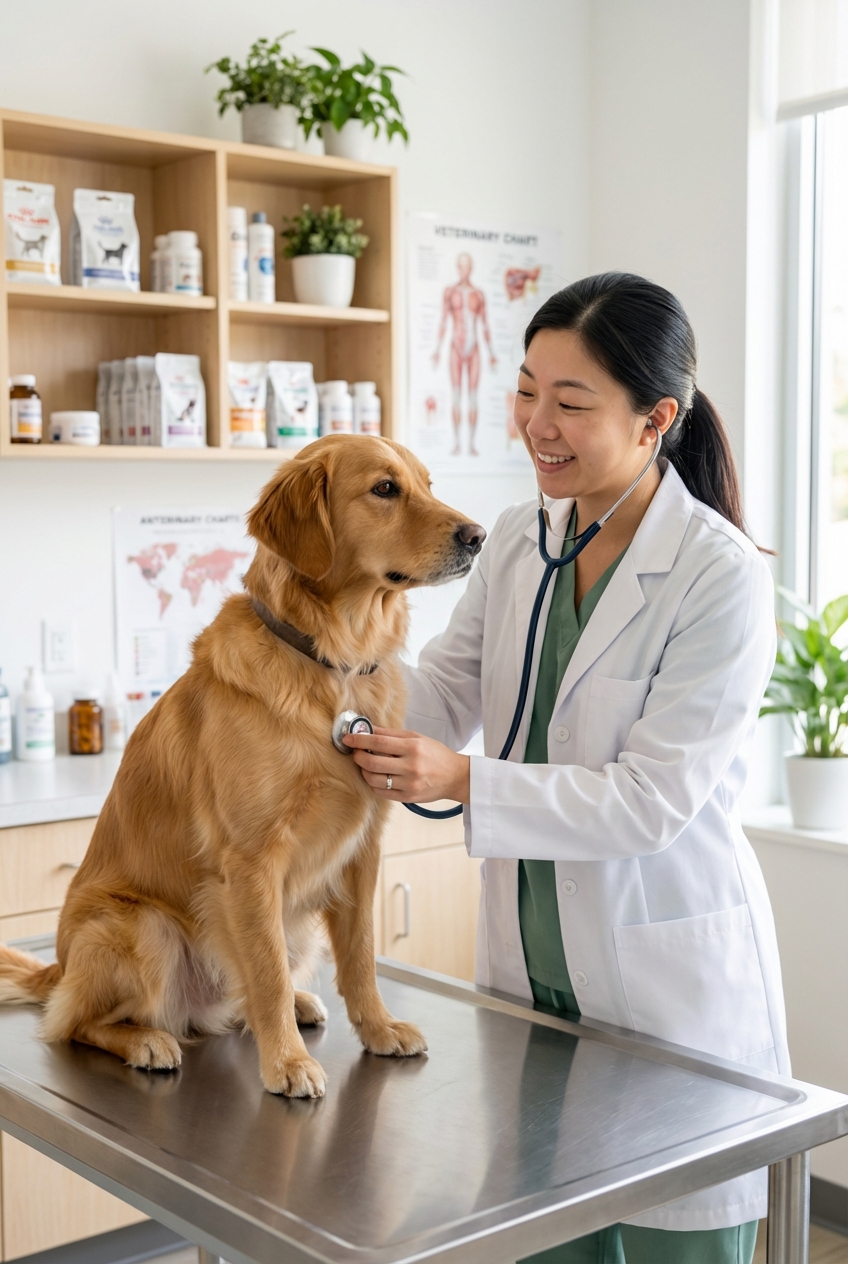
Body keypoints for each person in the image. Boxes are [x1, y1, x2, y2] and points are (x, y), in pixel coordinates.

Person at [345, 272, 788, 1264]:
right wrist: (323, 668)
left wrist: (460, 781)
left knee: (667, 1240)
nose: (535, 423)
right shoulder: (517, 538)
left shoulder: (717, 574)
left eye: (570, 401)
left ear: (653, 419)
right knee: (547, 1237)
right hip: (530, 986)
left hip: (663, 993)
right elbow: (442, 693)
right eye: (525, 390)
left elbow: (649, 802)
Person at [432, 251, 498, 456]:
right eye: (460, 266)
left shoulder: (478, 295)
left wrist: (491, 353)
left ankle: (470, 443)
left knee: (472, 397)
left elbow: (485, 325)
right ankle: (457, 443)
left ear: (471, 269)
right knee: (456, 396)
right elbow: (443, 321)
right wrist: (436, 349)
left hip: (474, 348)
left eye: (467, 267)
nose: (464, 271)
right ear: (457, 268)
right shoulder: (449, 292)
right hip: (455, 346)